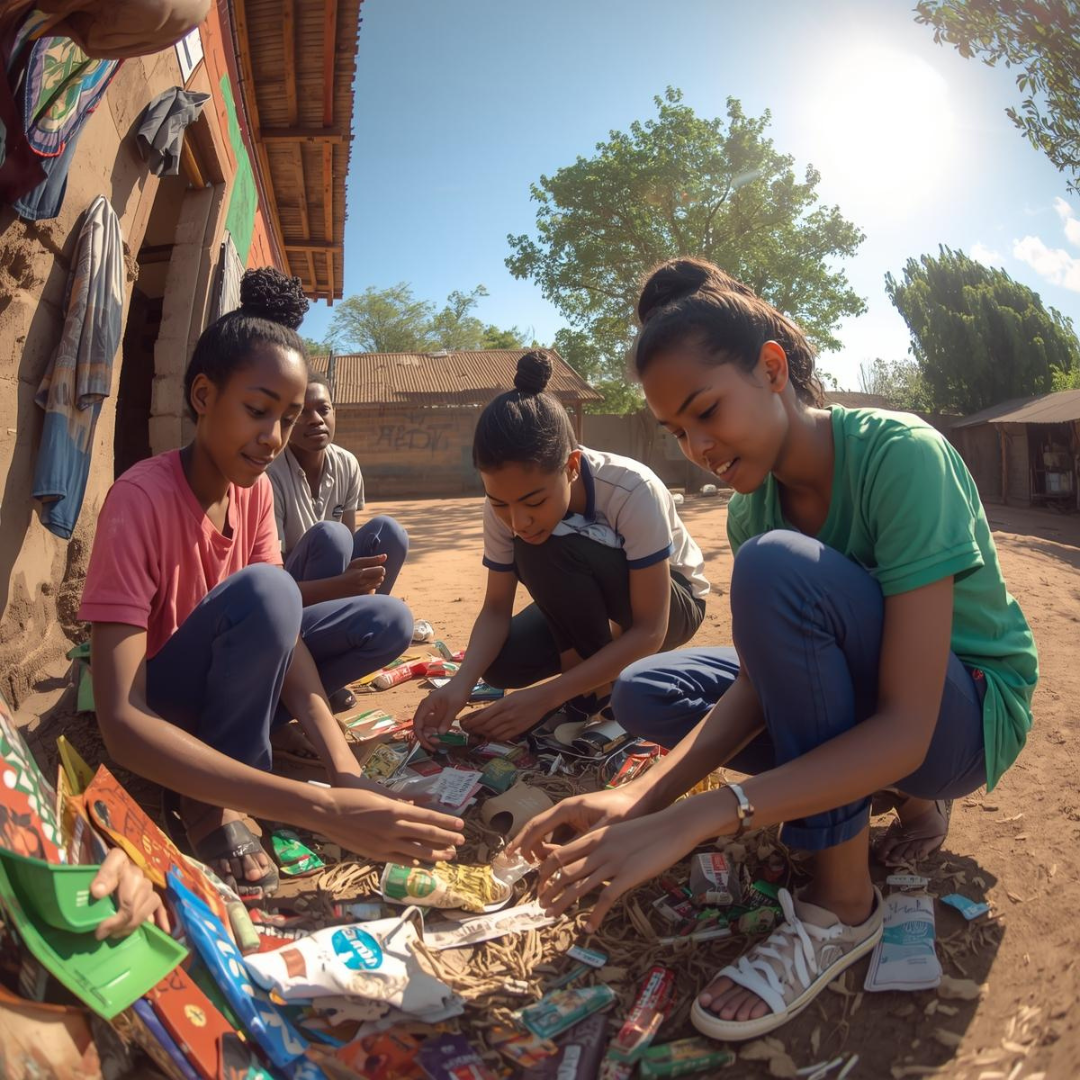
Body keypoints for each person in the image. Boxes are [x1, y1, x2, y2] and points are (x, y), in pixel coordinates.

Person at [512, 259, 1037, 1042]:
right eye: (677, 431)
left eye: (706, 412)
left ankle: (843, 905)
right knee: (647, 691)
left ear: (770, 367)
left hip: (958, 716)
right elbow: (762, 684)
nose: (698, 447)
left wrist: (704, 816)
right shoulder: (754, 505)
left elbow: (907, 728)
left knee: (776, 569)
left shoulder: (902, 456)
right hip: (871, 687)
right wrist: (643, 797)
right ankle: (869, 793)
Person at [80, 269, 464, 898]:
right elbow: (121, 719)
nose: (273, 438)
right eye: (257, 411)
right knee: (271, 589)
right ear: (203, 395)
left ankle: (254, 747)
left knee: (375, 617)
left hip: (233, 680)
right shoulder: (138, 499)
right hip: (165, 700)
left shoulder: (253, 491)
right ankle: (210, 801)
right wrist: (321, 810)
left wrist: (344, 773)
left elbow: (284, 641)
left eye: (285, 419)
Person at [414, 350, 710, 748]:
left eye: (534, 501)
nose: (517, 520)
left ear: (571, 467)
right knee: (500, 664)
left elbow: (650, 630)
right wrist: (460, 684)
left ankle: (601, 694)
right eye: (500, 503)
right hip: (591, 600)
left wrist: (548, 696)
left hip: (671, 604)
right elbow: (496, 608)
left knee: (543, 545)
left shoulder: (631, 488)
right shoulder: (504, 506)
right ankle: (590, 678)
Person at [268, 371, 411, 711]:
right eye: (302, 412)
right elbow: (273, 581)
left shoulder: (346, 463)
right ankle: (306, 673)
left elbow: (350, 543)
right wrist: (343, 584)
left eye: (324, 409)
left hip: (333, 577)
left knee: (389, 532)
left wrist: (355, 582)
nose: (315, 420)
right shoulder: (270, 474)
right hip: (290, 596)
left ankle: (347, 653)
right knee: (331, 536)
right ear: (287, 419)